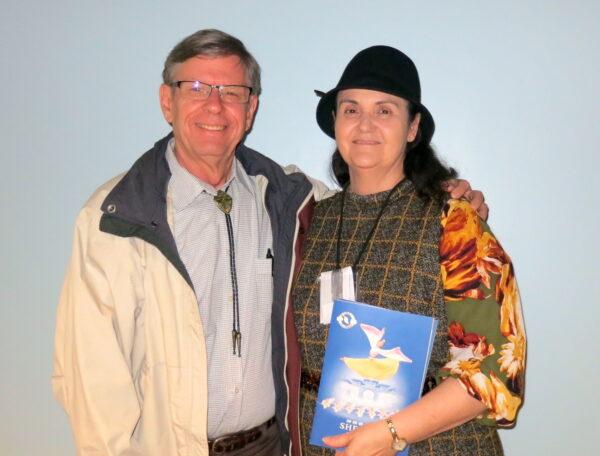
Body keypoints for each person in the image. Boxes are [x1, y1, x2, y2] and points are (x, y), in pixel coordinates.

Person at [52, 30, 488, 456]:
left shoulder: (289, 202)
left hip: (276, 444)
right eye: (198, 87)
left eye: (232, 91)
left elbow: (491, 371)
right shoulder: (116, 220)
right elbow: (90, 380)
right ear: (167, 101)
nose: (215, 105)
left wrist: (448, 205)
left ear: (251, 107)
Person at [287, 46, 526, 455]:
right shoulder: (309, 221)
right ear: (335, 121)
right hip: (325, 442)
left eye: (385, 111)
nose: (365, 124)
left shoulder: (454, 224)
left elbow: (497, 370)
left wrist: (391, 435)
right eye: (350, 109)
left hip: (437, 444)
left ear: (412, 128)